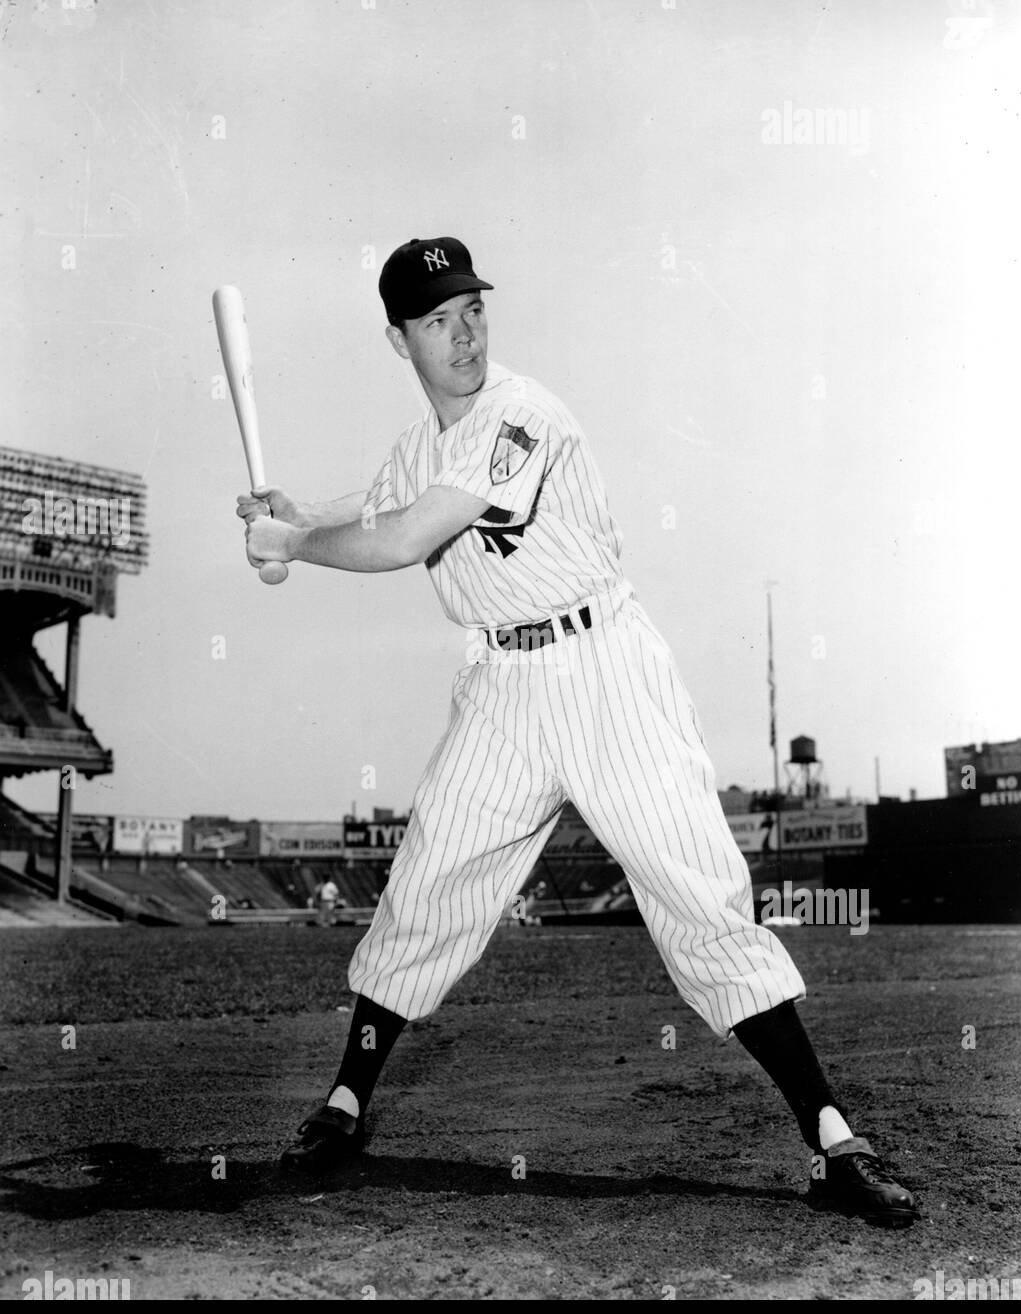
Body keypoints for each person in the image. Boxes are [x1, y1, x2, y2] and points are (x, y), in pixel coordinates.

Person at [237, 236, 916, 1227]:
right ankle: (344, 1104)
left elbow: (402, 538)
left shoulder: (521, 412)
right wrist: (295, 514)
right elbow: (378, 501)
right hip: (504, 684)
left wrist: (293, 547)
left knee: (696, 892)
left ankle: (830, 1141)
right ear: (399, 340)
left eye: (472, 307)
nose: (463, 332)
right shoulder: (424, 443)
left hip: (603, 670)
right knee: (428, 882)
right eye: (436, 319)